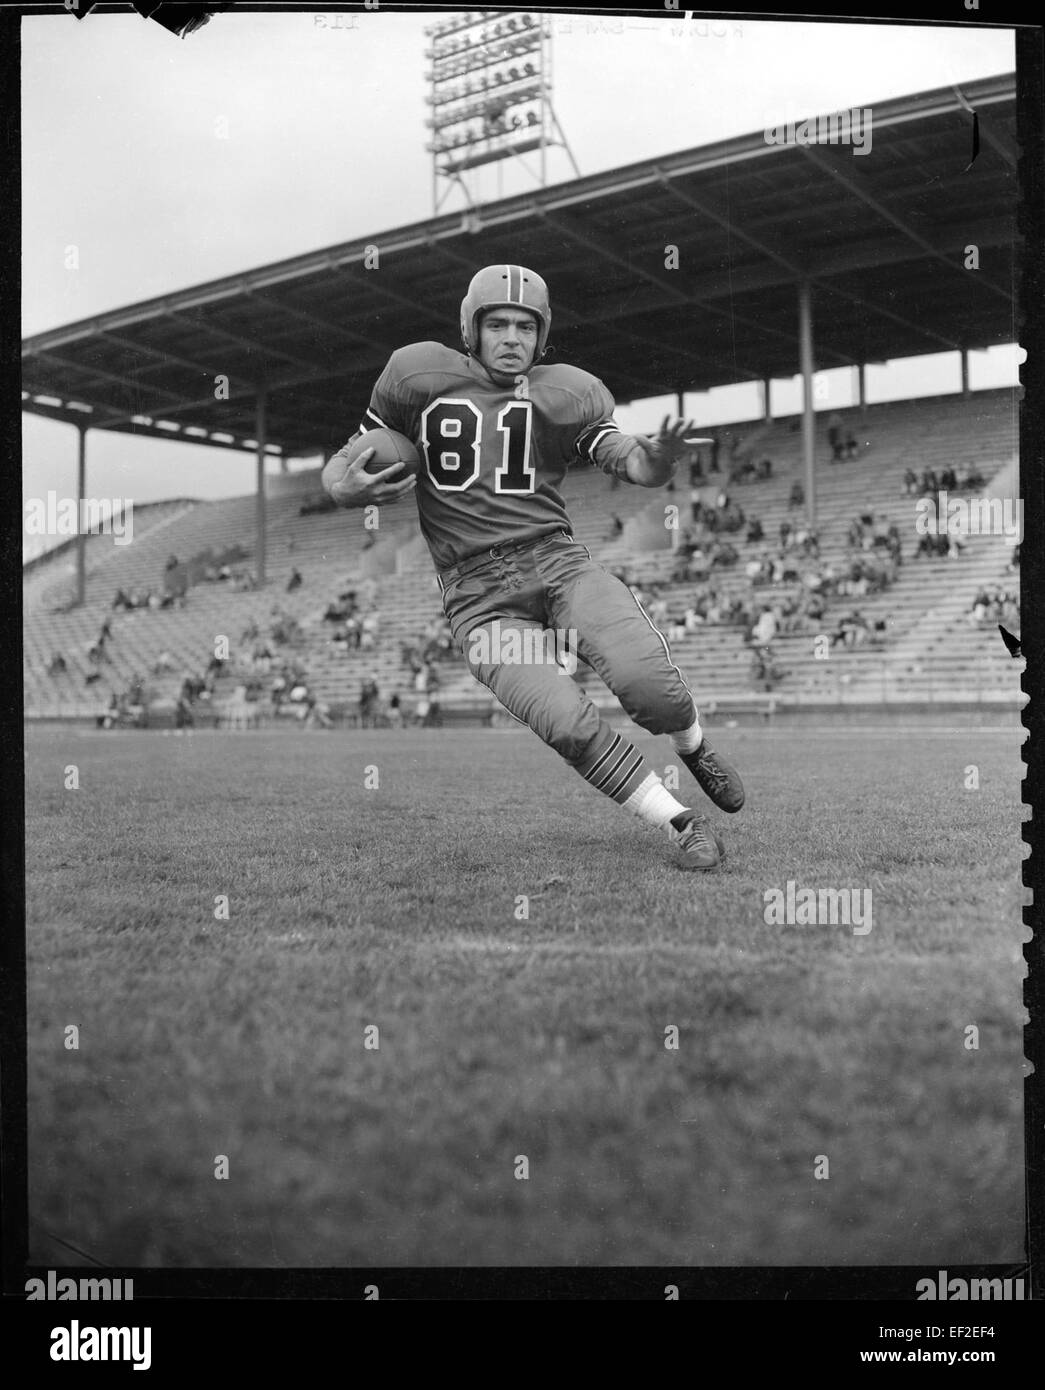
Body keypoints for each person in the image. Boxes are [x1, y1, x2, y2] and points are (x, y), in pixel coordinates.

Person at [321, 263, 744, 870]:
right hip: (478, 595)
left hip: (557, 562)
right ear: (473, 328)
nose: (512, 337)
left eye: (526, 325)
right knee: (563, 719)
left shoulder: (565, 391)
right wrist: (342, 487)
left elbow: (623, 456)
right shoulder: (416, 375)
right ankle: (679, 822)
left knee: (647, 683)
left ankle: (694, 748)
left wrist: (655, 464)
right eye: (498, 324)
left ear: (542, 335)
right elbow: (348, 456)